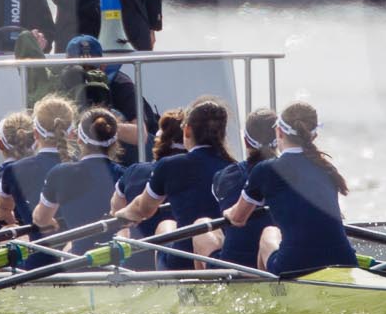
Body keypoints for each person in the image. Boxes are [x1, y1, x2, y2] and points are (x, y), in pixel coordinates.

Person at [205, 101, 356, 277]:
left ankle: (268, 295)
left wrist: (228, 213)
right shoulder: (327, 168)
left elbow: (239, 219)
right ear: (312, 136)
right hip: (345, 260)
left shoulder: (266, 170)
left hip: (294, 265)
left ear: (279, 132)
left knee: (270, 232)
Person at [114, 98, 237, 270]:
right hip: (227, 256)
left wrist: (120, 215)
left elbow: (143, 209)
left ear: (187, 131)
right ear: (222, 134)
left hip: (183, 261)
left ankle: (166, 286)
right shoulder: (234, 168)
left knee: (165, 226)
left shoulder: (170, 165)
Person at [31, 107, 133, 252]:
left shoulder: (60, 173)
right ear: (114, 142)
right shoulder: (127, 175)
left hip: (79, 260)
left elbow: (41, 219)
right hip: (119, 260)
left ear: (79, 138)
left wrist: (52, 222)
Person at [207, 107, 279, 270]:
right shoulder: (294, 174)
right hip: (276, 261)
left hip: (236, 265)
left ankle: (204, 291)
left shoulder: (227, 176)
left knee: (202, 226)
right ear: (280, 136)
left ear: (245, 140)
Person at [0, 94, 76, 235]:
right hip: (86, 252)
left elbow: (3, 211)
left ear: (35, 133)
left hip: (40, 252)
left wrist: (12, 222)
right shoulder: (86, 166)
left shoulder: (13, 170)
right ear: (72, 133)